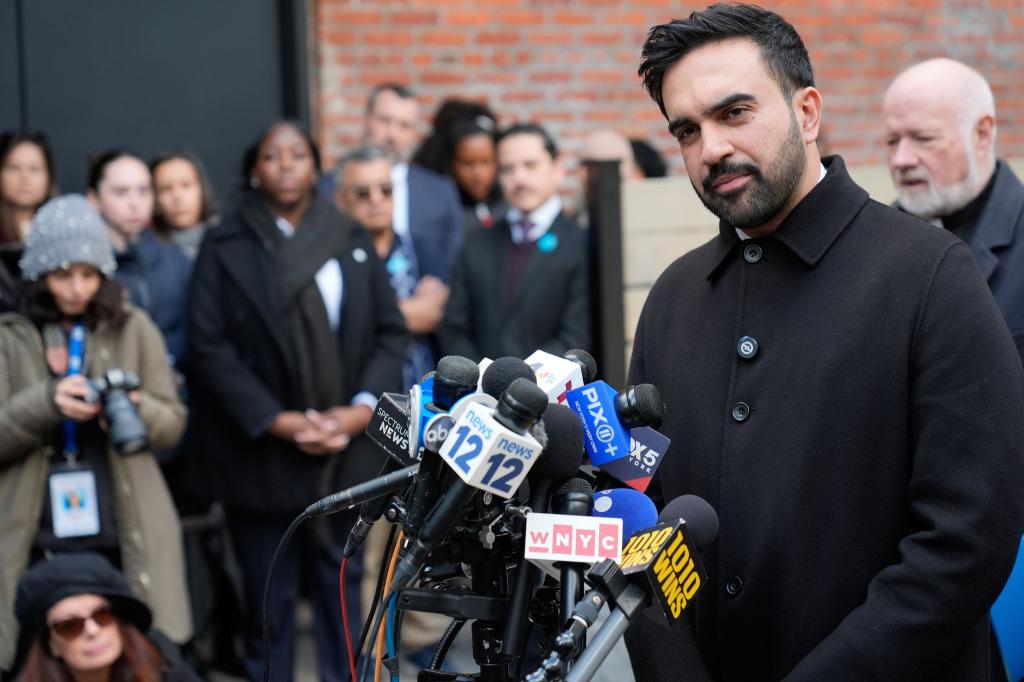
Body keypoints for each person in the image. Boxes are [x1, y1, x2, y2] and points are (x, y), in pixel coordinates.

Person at [624, 5, 1024, 682]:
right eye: (687, 130)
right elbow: (645, 519)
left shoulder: (930, 276)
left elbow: (966, 541)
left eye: (735, 113)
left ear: (807, 112)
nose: (711, 148)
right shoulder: (673, 297)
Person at [185, 120, 407, 682]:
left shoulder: (348, 235)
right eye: (272, 156)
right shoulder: (226, 243)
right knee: (270, 605)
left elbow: (389, 332)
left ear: (315, 167)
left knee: (342, 597)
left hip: (345, 451)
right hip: (262, 455)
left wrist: (360, 410)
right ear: (254, 170)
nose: (285, 165)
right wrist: (276, 420)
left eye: (297, 154)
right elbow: (207, 345)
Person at [0, 195, 191, 674]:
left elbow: (173, 424)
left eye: (89, 275)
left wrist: (135, 407)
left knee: (135, 653)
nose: (77, 288)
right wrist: (46, 402)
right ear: (39, 273)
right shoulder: (11, 335)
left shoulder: (133, 326)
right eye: (63, 274)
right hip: (35, 528)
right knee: (38, 656)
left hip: (122, 523)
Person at [883, 58, 1024, 359]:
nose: (901, 160)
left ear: (982, 133)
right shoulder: (872, 242)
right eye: (892, 141)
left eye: (924, 139)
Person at [440, 123, 590, 360]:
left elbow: (577, 335)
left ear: (558, 169)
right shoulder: (475, 244)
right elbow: (453, 331)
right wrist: (484, 377)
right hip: (482, 382)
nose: (519, 179)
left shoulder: (581, 244)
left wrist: (524, 377)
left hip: (554, 382)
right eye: (507, 169)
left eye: (530, 165)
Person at [333, 146, 443, 388]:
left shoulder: (418, 246)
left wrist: (369, 317)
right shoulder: (333, 258)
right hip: (360, 395)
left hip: (420, 392)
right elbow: (341, 325)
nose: (376, 199)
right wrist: (408, 311)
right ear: (340, 199)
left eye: (385, 190)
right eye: (362, 193)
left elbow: (435, 313)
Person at [14, 552, 199, 681]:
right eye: (69, 625)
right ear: (51, 644)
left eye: (102, 615)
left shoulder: (163, 663)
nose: (92, 631)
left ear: (119, 621)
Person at [86, 151, 191, 371]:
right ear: (94, 199)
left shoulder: (175, 257)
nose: (135, 203)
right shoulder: (86, 269)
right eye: (121, 192)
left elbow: (195, 327)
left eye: (143, 190)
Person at [363, 83, 464, 283]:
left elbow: (454, 260)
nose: (392, 135)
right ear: (367, 119)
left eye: (404, 125)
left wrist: (438, 290)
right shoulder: (330, 187)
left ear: (415, 133)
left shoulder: (440, 192)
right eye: (384, 120)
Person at [0, 132, 58, 310]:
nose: (24, 177)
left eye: (34, 169)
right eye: (13, 168)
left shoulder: (61, 230)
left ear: (49, 176)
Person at [150, 150, 220, 261]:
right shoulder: (146, 252)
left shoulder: (229, 239)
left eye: (186, 185)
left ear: (202, 189)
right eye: (166, 188)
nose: (177, 196)